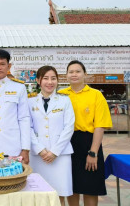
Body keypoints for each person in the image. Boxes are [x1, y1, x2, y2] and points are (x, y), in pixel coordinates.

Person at [59, 60, 112, 206]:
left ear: (85, 74)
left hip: (89, 143)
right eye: (71, 72)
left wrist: (93, 152)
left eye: (78, 71)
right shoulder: (60, 95)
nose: (74, 74)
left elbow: (100, 126)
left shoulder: (96, 95)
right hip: (66, 143)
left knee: (90, 187)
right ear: (66, 76)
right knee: (71, 186)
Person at [28, 66, 75, 206]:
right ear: (38, 80)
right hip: (38, 156)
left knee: (59, 193)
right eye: (45, 78)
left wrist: (54, 151)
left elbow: (69, 127)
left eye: (53, 78)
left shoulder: (65, 101)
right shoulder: (30, 101)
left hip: (60, 155)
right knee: (37, 194)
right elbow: (27, 128)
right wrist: (40, 149)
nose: (50, 82)